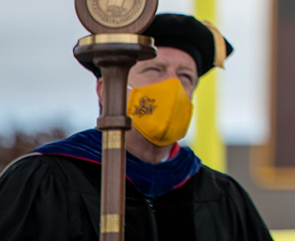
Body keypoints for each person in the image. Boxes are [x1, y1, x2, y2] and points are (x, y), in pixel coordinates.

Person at [0, 13, 272, 241]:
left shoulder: (223, 198)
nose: (173, 87)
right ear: (108, 90)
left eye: (185, 76)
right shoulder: (46, 181)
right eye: (155, 70)